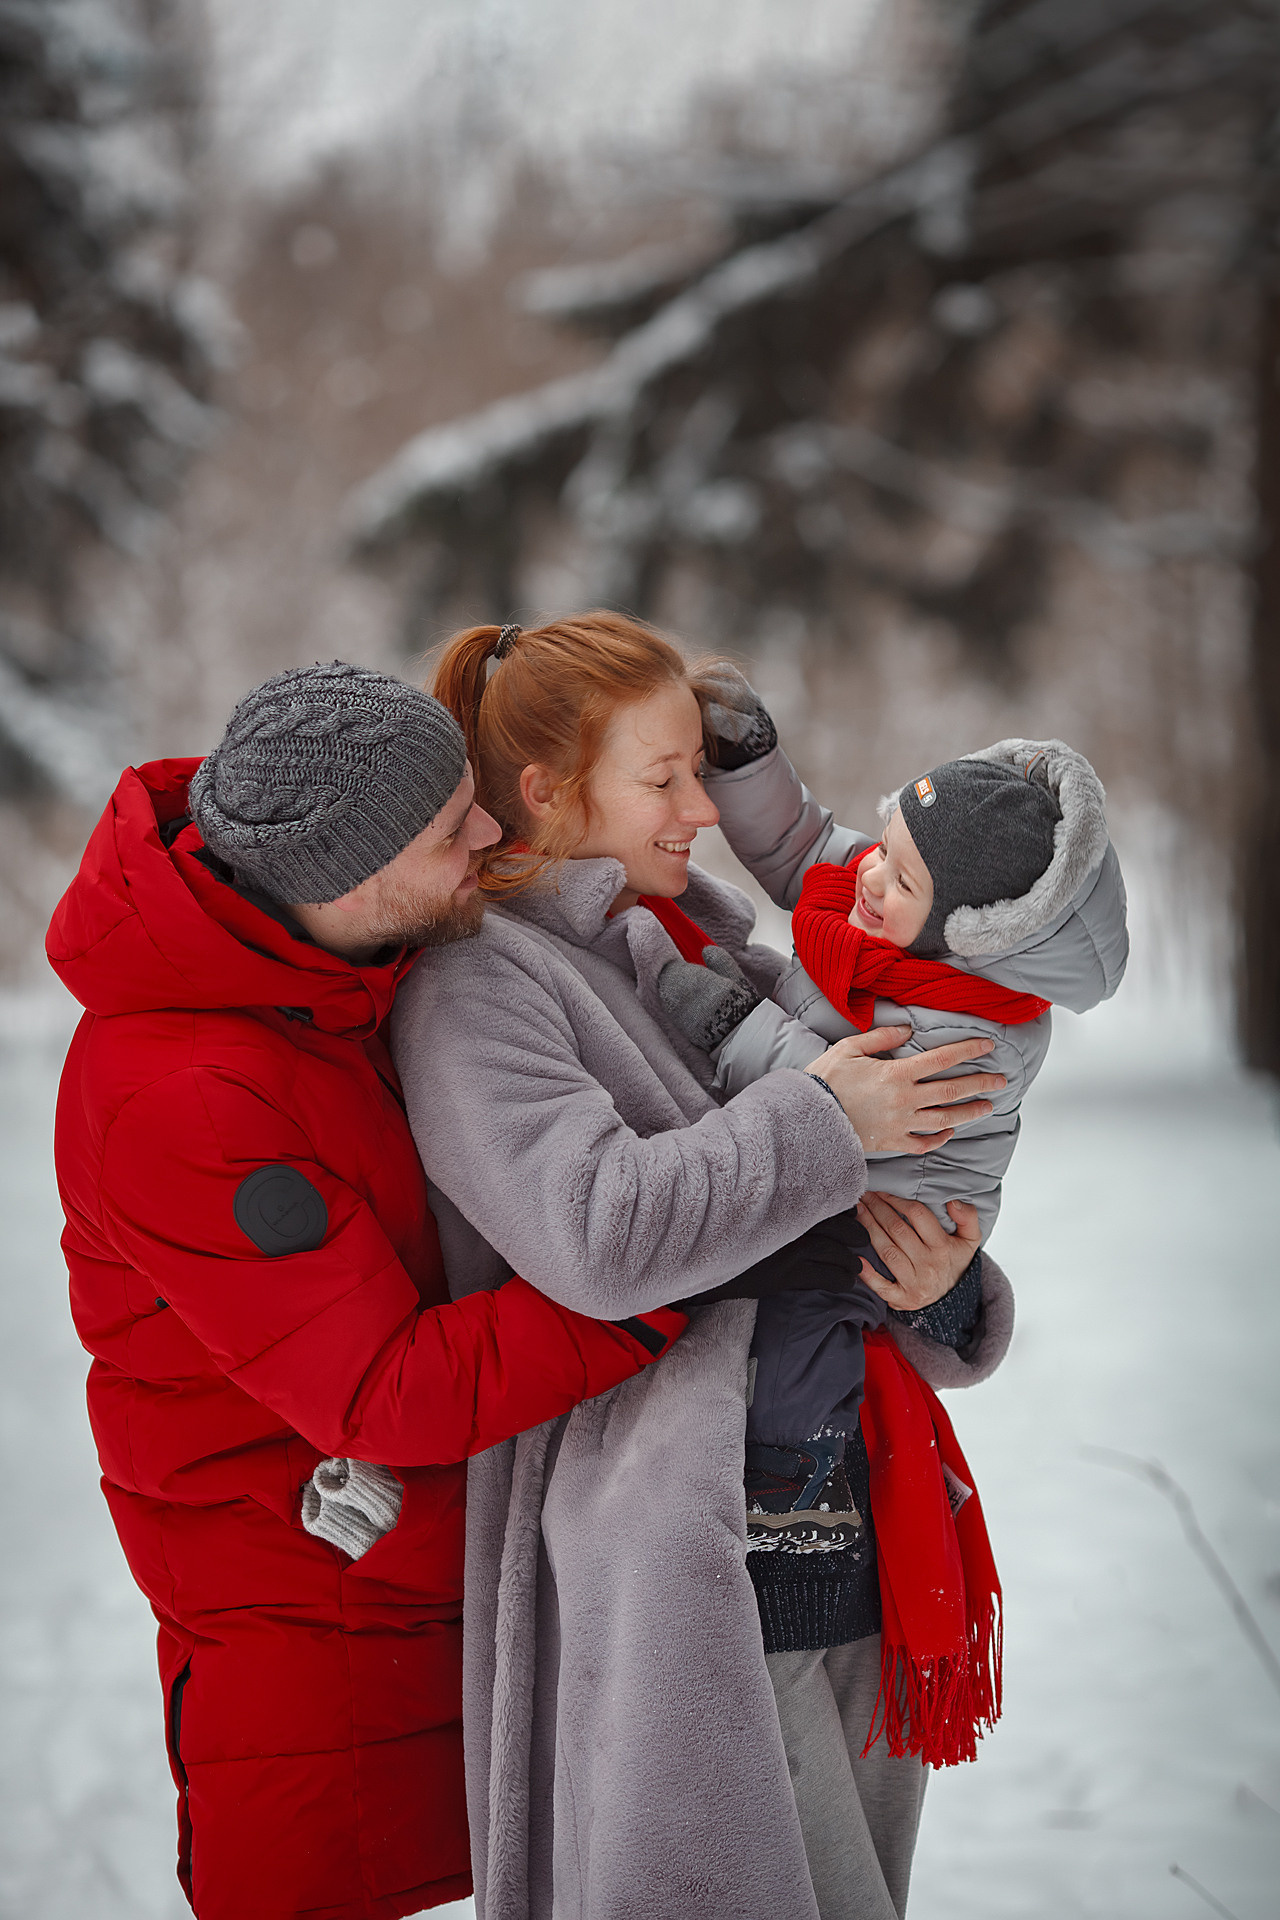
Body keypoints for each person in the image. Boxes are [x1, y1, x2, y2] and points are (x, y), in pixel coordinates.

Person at [46, 662, 696, 1920]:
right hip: (326, 1664)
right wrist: (657, 1268)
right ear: (347, 876)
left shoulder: (329, 975)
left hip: (428, 1594)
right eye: (453, 828)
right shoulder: (190, 1095)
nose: (490, 833)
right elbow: (384, 1391)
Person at [389, 613, 1015, 1920]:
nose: (701, 811)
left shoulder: (709, 953)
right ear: (548, 792)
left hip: (857, 1520)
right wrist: (826, 1117)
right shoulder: (482, 987)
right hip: (681, 1553)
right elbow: (594, 1234)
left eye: (700, 772)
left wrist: (941, 1279)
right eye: (663, 779)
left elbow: (841, 1206)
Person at [656, 713, 1128, 1554]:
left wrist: (733, 1027)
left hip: (879, 1234)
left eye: (900, 877)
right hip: (826, 1189)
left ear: (968, 930)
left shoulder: (965, 1032)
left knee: (797, 1345)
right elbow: (809, 849)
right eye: (883, 843)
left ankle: (792, 1506)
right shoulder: (903, 908)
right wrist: (748, 763)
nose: (869, 874)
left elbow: (849, 1097)